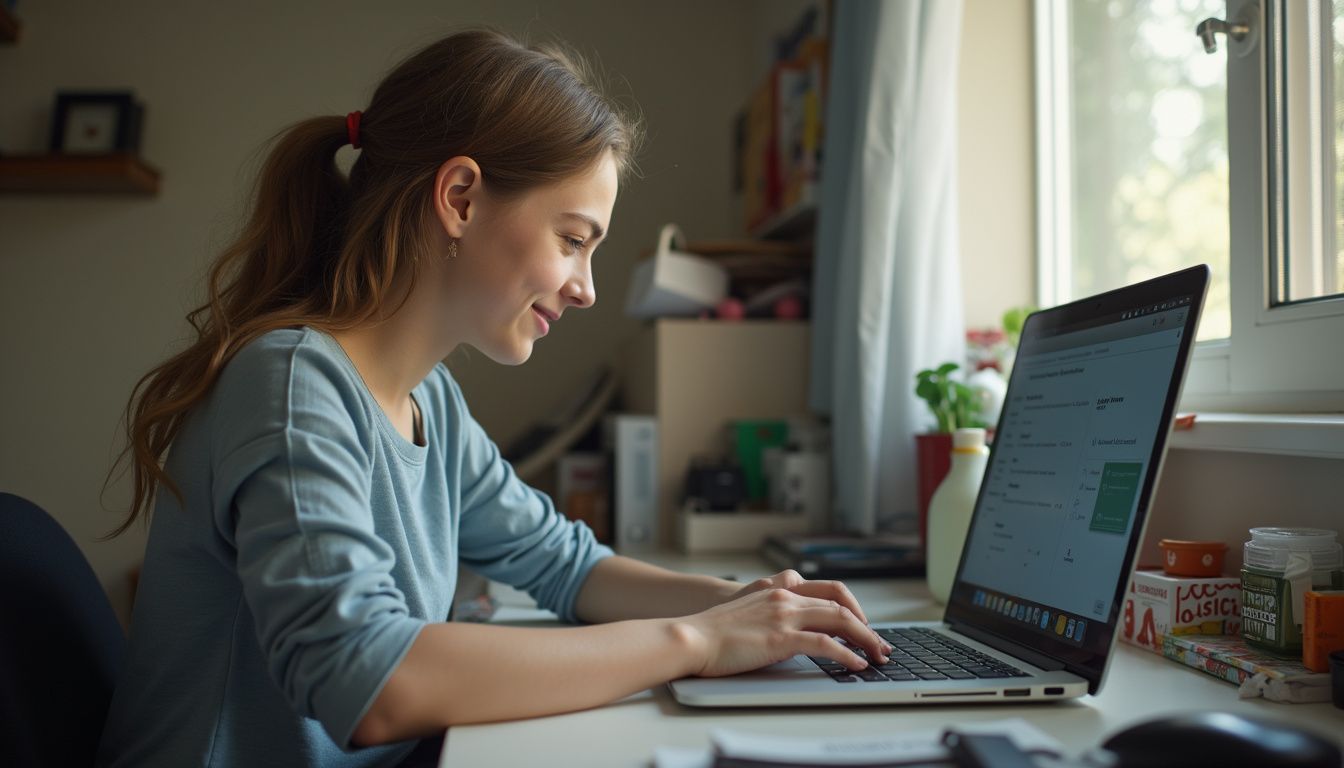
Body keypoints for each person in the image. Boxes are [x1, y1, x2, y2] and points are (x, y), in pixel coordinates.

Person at [97, 28, 890, 768]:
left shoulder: (427, 400)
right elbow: (369, 681)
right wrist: (697, 640)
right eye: (574, 239)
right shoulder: (293, 385)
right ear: (462, 197)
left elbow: (565, 566)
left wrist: (753, 606)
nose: (585, 289)